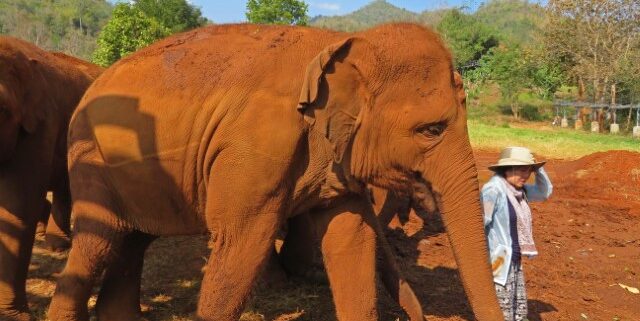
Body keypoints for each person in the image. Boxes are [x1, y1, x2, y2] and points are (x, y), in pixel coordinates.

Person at [481, 146, 553, 321]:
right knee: (502, 312)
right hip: (498, 260)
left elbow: (544, 193)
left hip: (514, 259)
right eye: (522, 170)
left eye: (529, 171)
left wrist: (538, 168)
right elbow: (481, 222)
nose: (526, 175)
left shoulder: (520, 191)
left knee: (518, 312)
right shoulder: (493, 190)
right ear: (508, 168)